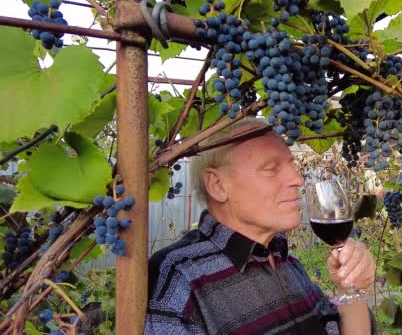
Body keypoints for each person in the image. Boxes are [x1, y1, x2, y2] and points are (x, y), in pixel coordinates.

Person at [145, 117, 377, 334]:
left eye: (290, 164)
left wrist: (353, 291)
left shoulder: (284, 260)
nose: (297, 179)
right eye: (271, 168)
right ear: (217, 185)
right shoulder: (178, 280)